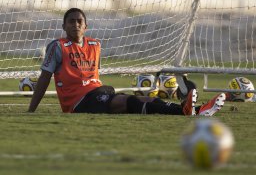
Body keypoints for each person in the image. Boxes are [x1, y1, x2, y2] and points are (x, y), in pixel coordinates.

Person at [28, 8, 226, 116]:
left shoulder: (95, 44)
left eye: (79, 21)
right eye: (71, 21)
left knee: (141, 101)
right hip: (78, 102)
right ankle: (189, 110)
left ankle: (194, 109)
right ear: (64, 25)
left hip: (98, 92)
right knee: (129, 101)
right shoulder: (57, 46)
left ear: (86, 26)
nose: (75, 24)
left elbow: (93, 75)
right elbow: (45, 78)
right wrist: (31, 110)